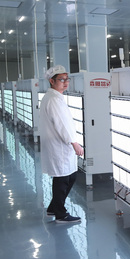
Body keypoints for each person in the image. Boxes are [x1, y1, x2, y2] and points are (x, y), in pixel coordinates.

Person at [40, 65, 84, 223]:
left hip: (59, 146)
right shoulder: (53, 100)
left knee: (68, 177)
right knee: (63, 179)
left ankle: (53, 207)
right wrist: (74, 143)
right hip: (59, 146)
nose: (66, 82)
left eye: (67, 79)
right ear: (52, 81)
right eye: (61, 79)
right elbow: (62, 125)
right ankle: (60, 213)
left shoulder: (55, 97)